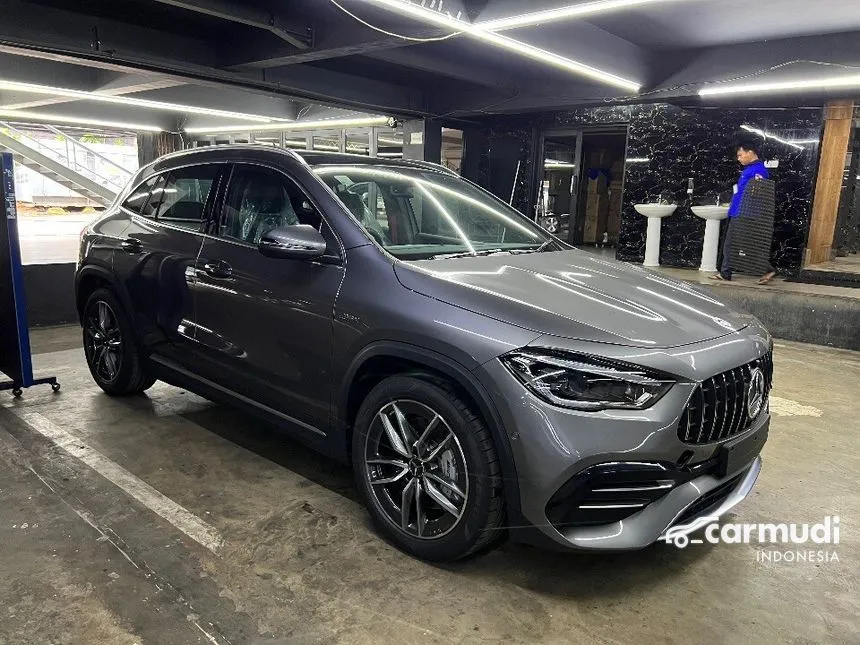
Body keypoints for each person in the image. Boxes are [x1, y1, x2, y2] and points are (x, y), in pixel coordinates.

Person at [712, 141, 777, 284]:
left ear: (750, 152)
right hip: (738, 211)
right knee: (733, 244)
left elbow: (758, 191)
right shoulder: (749, 169)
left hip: (746, 213)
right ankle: (725, 272)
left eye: (740, 155)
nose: (739, 158)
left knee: (742, 244)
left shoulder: (758, 170)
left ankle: (766, 269)